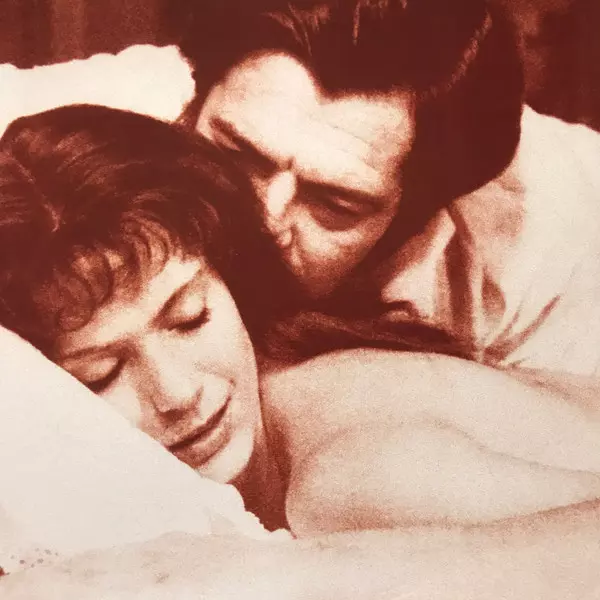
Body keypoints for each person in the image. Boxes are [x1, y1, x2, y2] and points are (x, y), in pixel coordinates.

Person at [1, 105, 600, 598]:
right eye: (100, 375)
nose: (179, 393)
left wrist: (279, 578)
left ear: (229, 276)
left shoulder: (353, 480)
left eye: (190, 317)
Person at [2, 0, 600, 375]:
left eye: (335, 204)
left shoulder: (553, 237)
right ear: (194, 101)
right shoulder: (77, 113)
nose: (260, 220)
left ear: (415, 222)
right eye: (235, 155)